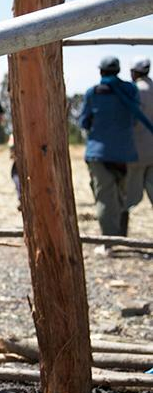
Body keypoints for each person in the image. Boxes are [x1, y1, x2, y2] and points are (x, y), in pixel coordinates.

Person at [80, 56, 153, 256]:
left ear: (101, 72)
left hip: (99, 154)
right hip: (125, 154)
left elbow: (84, 122)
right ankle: (122, 237)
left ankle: (108, 244)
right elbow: (135, 119)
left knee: (105, 199)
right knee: (121, 198)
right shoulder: (130, 90)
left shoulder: (93, 93)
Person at [127, 57, 153, 210]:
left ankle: (120, 232)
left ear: (135, 72)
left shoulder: (134, 91)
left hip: (136, 153)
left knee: (127, 201)